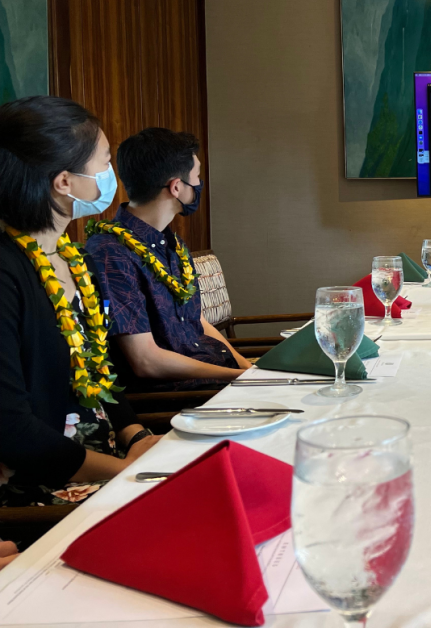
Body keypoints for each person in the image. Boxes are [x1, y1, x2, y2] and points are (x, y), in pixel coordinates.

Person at [0, 96, 160, 509]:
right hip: (47, 486)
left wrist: (138, 438)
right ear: (64, 182)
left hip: (108, 464)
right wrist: (128, 471)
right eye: (104, 162)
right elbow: (12, 429)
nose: (111, 176)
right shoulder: (6, 272)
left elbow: (99, 372)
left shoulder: (76, 257)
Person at [86, 128, 251, 392]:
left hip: (218, 377)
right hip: (181, 397)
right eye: (196, 177)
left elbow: (195, 319)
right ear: (176, 187)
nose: (199, 185)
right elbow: (146, 361)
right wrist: (233, 377)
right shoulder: (111, 252)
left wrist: (247, 369)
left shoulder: (171, 243)